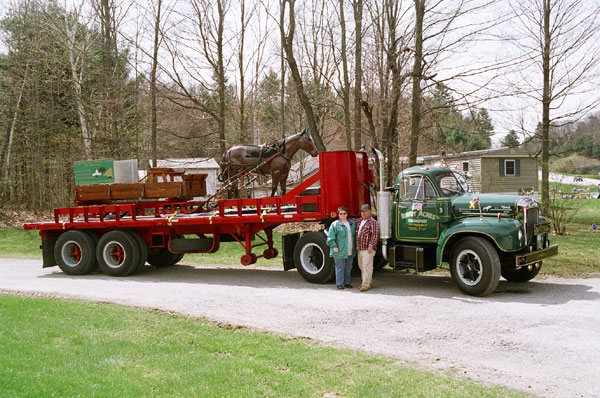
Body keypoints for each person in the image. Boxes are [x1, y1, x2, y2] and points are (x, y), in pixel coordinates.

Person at [326, 206, 356, 290]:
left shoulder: (352, 223)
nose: (343, 215)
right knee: (340, 267)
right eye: (341, 213)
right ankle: (339, 283)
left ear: (347, 214)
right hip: (339, 250)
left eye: (344, 213)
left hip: (350, 249)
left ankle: (347, 283)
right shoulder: (335, 224)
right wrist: (334, 246)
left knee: (348, 267)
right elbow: (330, 237)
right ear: (338, 215)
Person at [355, 203, 379, 292]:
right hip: (360, 247)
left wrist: (371, 245)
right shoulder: (360, 221)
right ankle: (369, 282)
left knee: (366, 266)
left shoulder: (373, 222)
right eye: (362, 212)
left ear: (369, 212)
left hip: (367, 248)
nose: (363, 214)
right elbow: (351, 221)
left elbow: (375, 235)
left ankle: (365, 284)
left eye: (365, 212)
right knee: (361, 266)